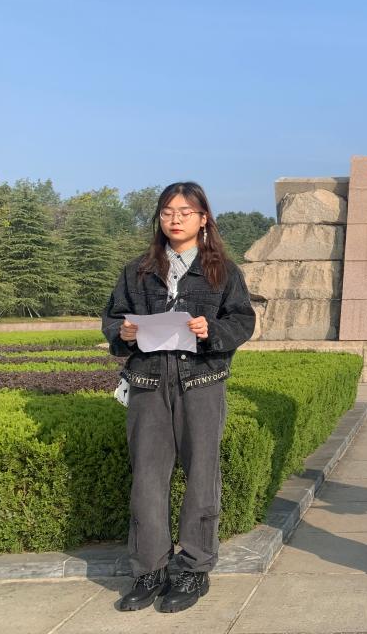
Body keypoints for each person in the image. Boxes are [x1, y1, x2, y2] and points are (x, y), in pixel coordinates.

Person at [102, 182, 255, 613]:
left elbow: (242, 321)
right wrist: (123, 332)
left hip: (201, 382)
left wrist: (212, 330)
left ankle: (193, 569)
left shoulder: (222, 271)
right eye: (168, 211)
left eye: (185, 212)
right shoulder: (137, 270)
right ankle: (149, 570)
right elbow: (112, 319)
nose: (175, 219)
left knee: (202, 475)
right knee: (147, 479)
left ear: (203, 219)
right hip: (148, 383)